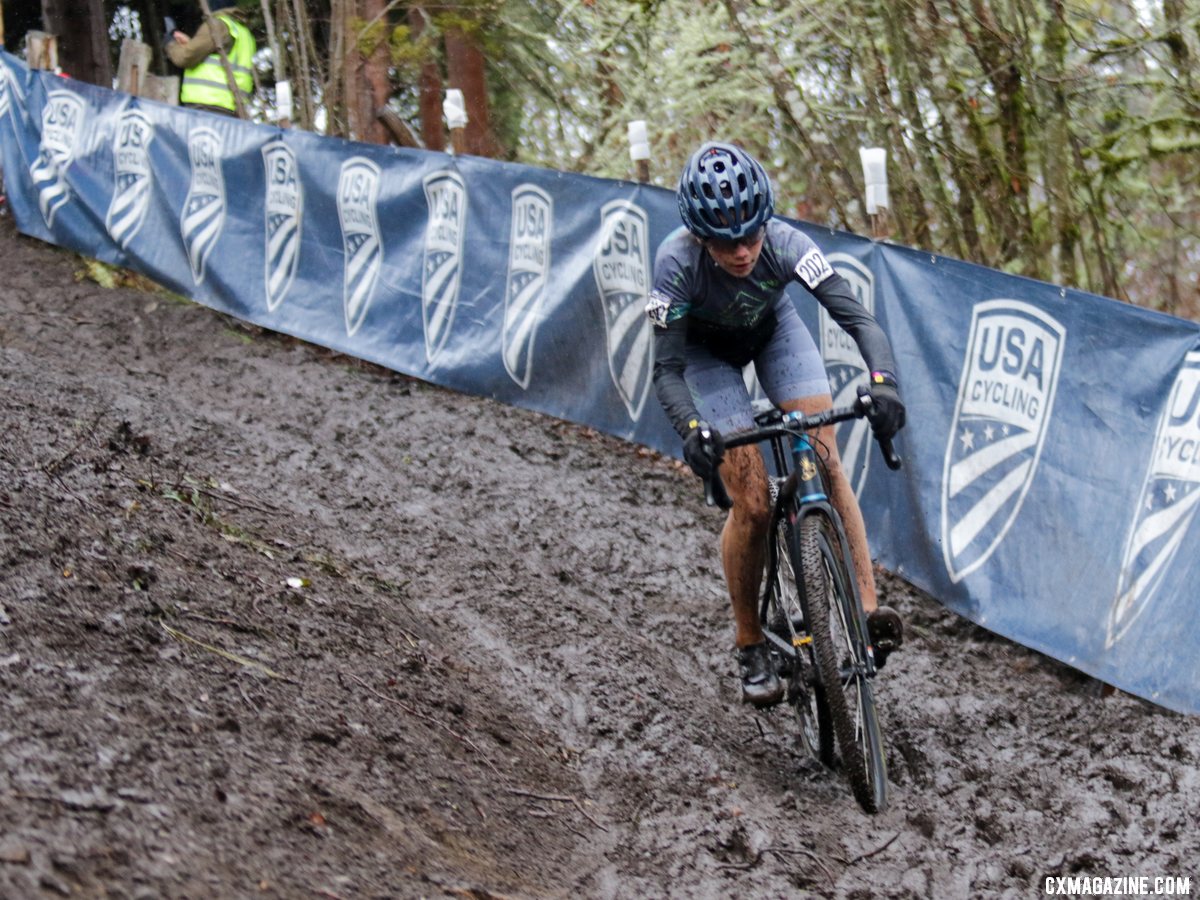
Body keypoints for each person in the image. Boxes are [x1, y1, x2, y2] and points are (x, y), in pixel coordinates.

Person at [646, 141, 906, 707]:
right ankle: (749, 643)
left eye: (750, 235)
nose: (741, 251)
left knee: (826, 459)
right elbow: (666, 369)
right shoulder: (674, 264)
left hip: (773, 331)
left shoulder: (789, 244)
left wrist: (882, 382)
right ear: (697, 236)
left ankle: (866, 608)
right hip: (705, 359)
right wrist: (692, 426)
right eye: (724, 241)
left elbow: (856, 317)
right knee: (755, 502)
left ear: (767, 221)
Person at [165, 0, 256, 118]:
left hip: (208, 107)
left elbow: (185, 57)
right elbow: (218, 55)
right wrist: (190, 43)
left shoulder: (217, 25)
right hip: (233, 110)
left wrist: (170, 44)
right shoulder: (243, 32)